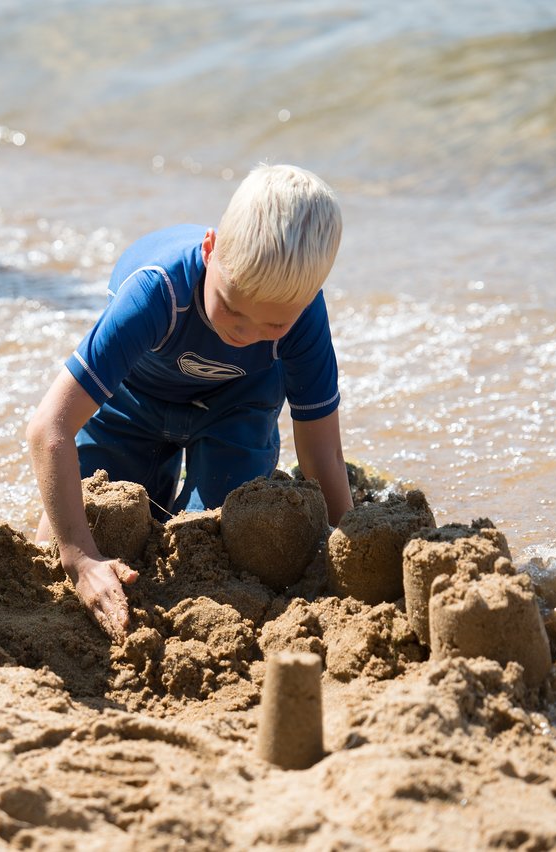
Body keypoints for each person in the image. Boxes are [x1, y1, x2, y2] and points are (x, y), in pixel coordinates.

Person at [26, 164, 354, 642]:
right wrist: (78, 557)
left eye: (272, 326)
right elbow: (48, 429)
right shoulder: (157, 293)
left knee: (216, 538)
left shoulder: (304, 319)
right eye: (233, 307)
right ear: (209, 249)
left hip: (237, 403)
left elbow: (322, 454)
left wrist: (346, 550)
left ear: (305, 303)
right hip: (135, 397)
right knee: (85, 525)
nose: (244, 333)